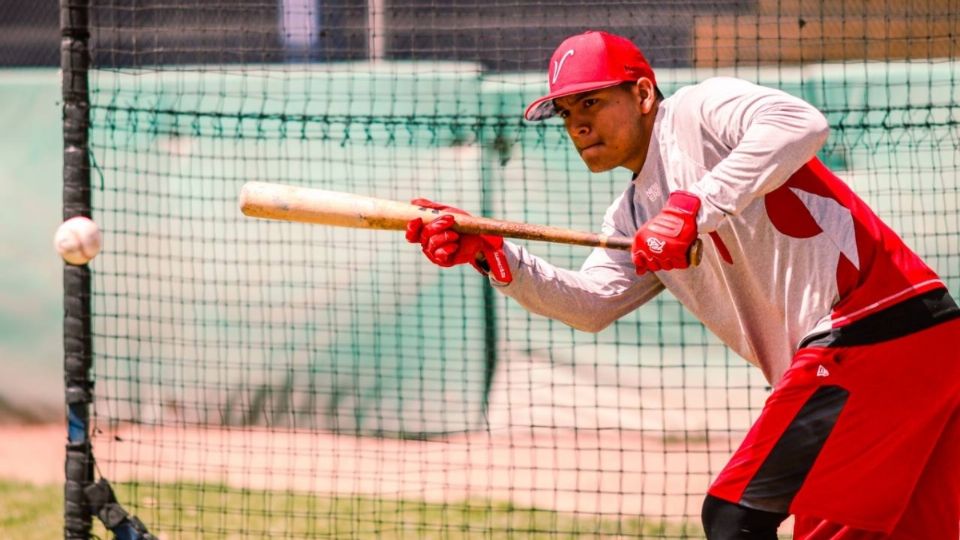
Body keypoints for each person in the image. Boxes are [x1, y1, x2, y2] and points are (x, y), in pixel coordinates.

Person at [404, 30, 960, 539]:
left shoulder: (699, 110)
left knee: (735, 513)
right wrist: (498, 258)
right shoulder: (630, 214)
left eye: (592, 102)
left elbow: (802, 123)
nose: (577, 124)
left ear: (644, 94)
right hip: (913, 346)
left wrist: (694, 207)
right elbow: (592, 305)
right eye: (566, 112)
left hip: (876, 327)